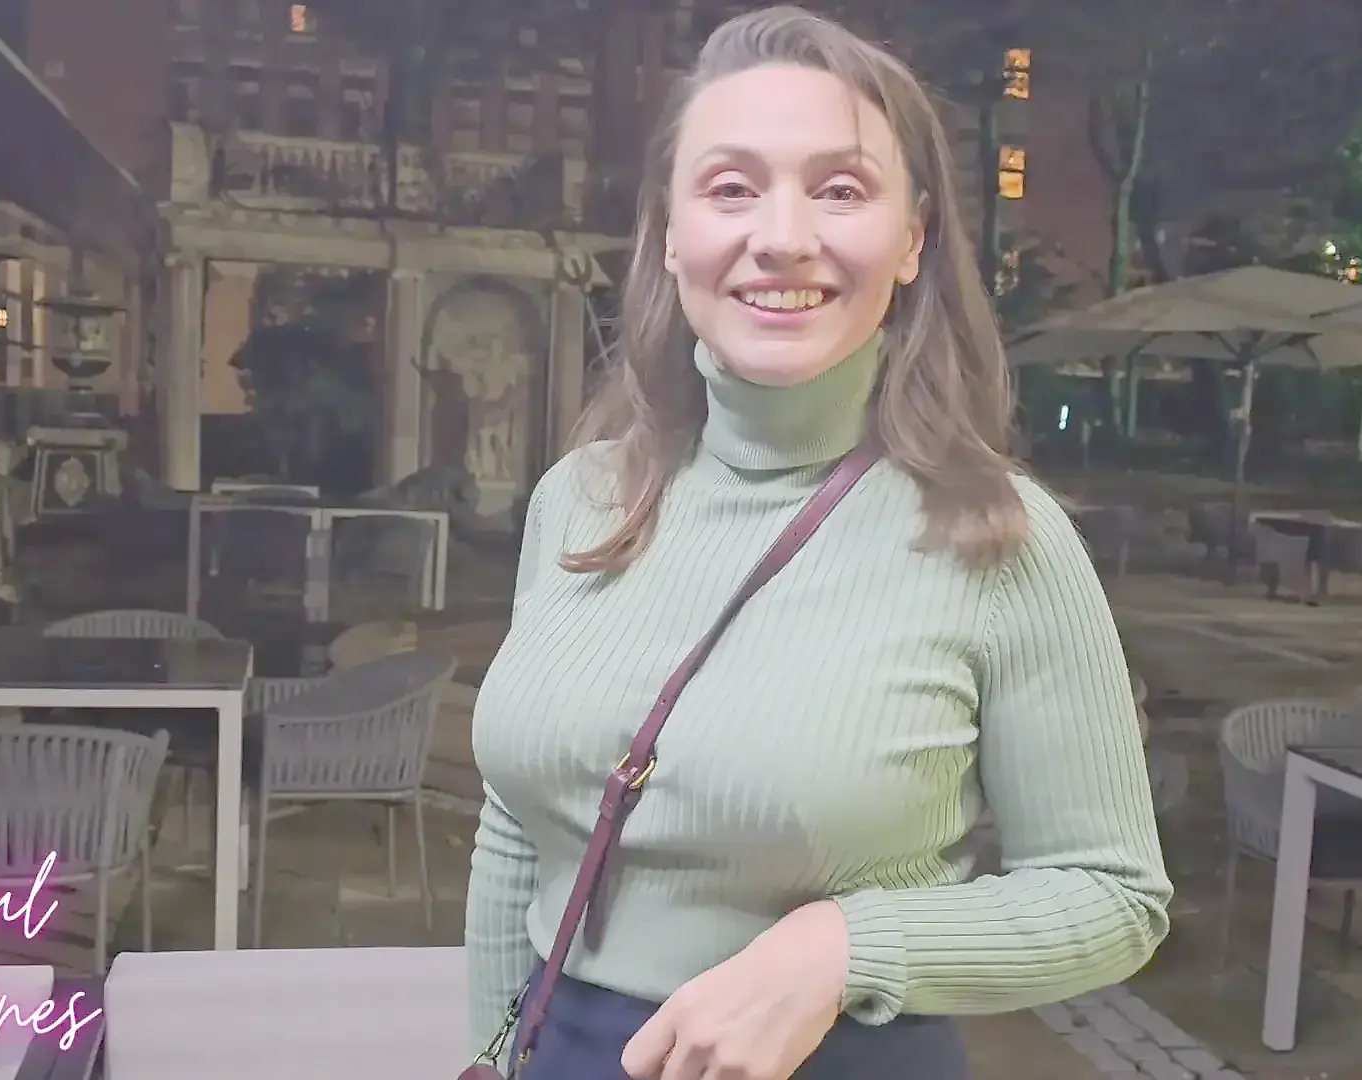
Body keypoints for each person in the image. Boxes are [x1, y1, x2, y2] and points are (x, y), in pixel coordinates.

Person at [465, 8, 1171, 1079]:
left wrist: (846, 947)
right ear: (670, 232)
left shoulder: (1002, 538)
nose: (783, 236)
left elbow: (1113, 896)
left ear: (913, 238)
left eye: (839, 190)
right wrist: (486, 1052)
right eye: (731, 187)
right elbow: (517, 830)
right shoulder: (579, 500)